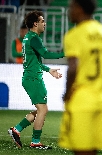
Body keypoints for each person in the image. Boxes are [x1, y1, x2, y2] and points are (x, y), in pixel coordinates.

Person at [58, 0, 102, 155]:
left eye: (72, 7)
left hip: (81, 97)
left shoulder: (74, 35)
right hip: (99, 98)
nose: (69, 11)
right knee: (92, 150)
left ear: (80, 9)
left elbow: (73, 67)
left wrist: (67, 92)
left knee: (80, 150)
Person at [8, 10, 64, 149]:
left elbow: (35, 61)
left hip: (31, 77)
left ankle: (17, 129)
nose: (44, 24)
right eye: (42, 21)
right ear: (35, 24)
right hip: (33, 79)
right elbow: (46, 54)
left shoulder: (28, 37)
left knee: (41, 110)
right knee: (43, 109)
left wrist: (48, 70)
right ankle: (35, 142)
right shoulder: (34, 38)